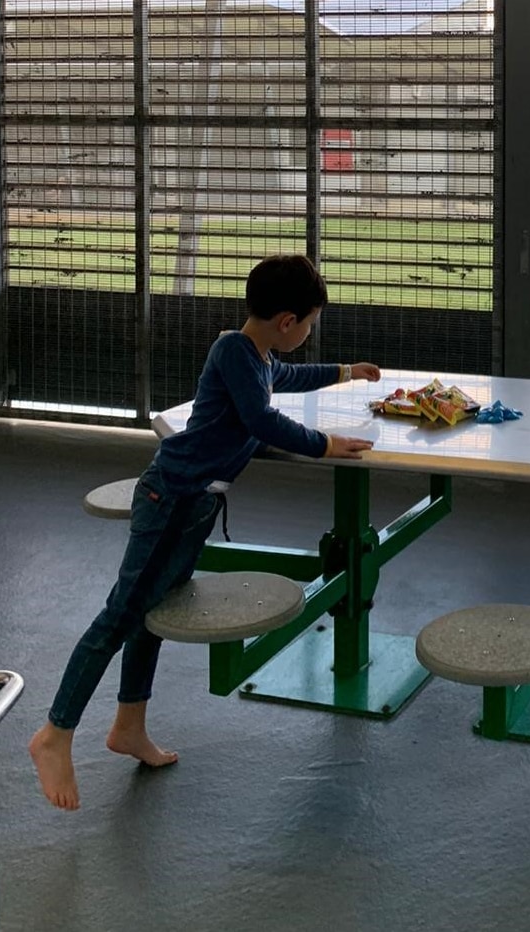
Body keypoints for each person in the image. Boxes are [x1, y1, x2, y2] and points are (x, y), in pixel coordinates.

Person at [29, 254, 380, 811]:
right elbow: (263, 419)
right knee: (120, 615)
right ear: (288, 321)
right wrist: (326, 443)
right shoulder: (233, 352)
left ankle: (128, 726)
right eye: (310, 323)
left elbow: (287, 378)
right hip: (169, 499)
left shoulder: (258, 356)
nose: (309, 333)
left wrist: (344, 372)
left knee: (151, 614)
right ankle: (55, 733)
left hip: (192, 505)